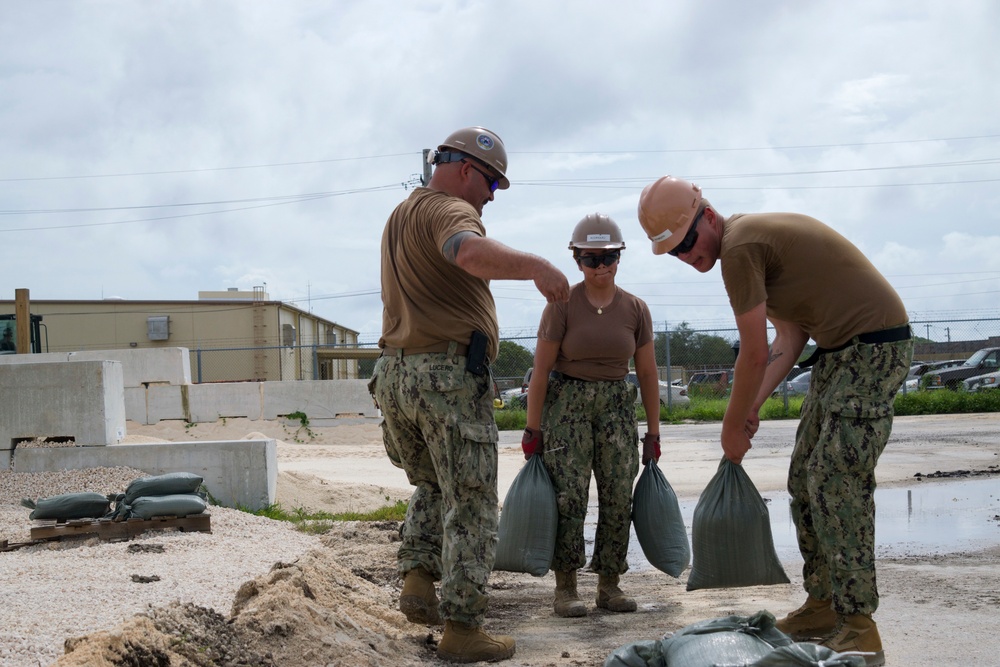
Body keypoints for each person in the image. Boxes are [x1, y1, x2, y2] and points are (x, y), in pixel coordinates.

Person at [637, 176, 912, 667]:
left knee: (834, 481)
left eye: (686, 243)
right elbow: (789, 339)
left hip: (874, 347)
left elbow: (755, 350)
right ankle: (823, 606)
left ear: (709, 215)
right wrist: (752, 408)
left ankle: (860, 625)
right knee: (804, 480)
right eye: (674, 252)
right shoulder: (745, 243)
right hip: (840, 351)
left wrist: (731, 423)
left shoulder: (740, 247)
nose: (685, 256)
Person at [369, 126, 570, 663]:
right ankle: (462, 629)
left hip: (397, 374)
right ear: (464, 169)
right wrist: (538, 267)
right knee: (474, 502)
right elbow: (467, 253)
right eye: (492, 183)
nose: (491, 196)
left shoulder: (402, 213)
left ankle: (417, 581)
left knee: (434, 484)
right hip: (444, 380)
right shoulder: (447, 211)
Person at [521, 213, 661, 619]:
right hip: (568, 408)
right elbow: (542, 371)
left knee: (619, 495)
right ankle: (566, 587)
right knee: (570, 497)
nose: (600, 266)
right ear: (577, 260)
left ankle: (609, 585)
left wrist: (652, 432)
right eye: (590, 259)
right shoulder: (561, 305)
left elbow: (649, 373)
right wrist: (533, 428)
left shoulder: (635, 308)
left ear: (619, 258)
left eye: (607, 258)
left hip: (617, 407)